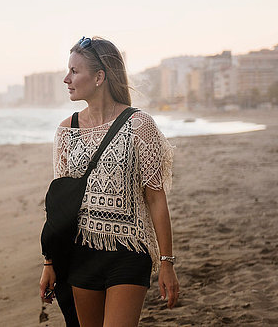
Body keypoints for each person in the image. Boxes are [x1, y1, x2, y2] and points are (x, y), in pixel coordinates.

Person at [39, 36, 180, 326]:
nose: (67, 79)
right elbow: (59, 208)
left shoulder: (140, 126)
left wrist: (167, 263)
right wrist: (49, 263)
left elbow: (156, 198)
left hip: (129, 252)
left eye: (75, 71)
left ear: (100, 76)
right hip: (81, 254)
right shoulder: (67, 131)